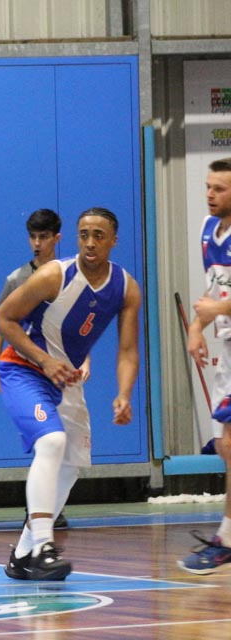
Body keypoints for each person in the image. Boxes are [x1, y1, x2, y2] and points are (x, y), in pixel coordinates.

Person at [0, 207, 141, 581]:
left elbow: (127, 350)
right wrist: (44, 360)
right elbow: (1, 319)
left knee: (73, 464)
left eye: (98, 236)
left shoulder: (126, 287)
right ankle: (44, 546)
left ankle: (23, 555)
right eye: (83, 234)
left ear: (113, 241)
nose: (90, 243)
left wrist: (124, 394)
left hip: (66, 380)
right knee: (52, 442)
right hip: (24, 369)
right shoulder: (54, 275)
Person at [0, 208, 78, 529]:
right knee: (45, 438)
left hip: (61, 369)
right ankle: (37, 513)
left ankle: (51, 507)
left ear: (57, 238)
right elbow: (0, 322)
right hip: (28, 369)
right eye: (32, 237)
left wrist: (85, 360)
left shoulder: (70, 276)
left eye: (43, 237)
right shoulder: (17, 279)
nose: (37, 243)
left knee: (65, 443)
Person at [179, 157, 231, 574]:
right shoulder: (206, 230)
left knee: (229, 443)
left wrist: (215, 310)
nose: (210, 195)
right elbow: (212, 292)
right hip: (226, 348)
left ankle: (226, 539)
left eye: (220, 189)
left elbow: (218, 303)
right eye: (208, 187)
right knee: (225, 445)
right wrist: (197, 327)